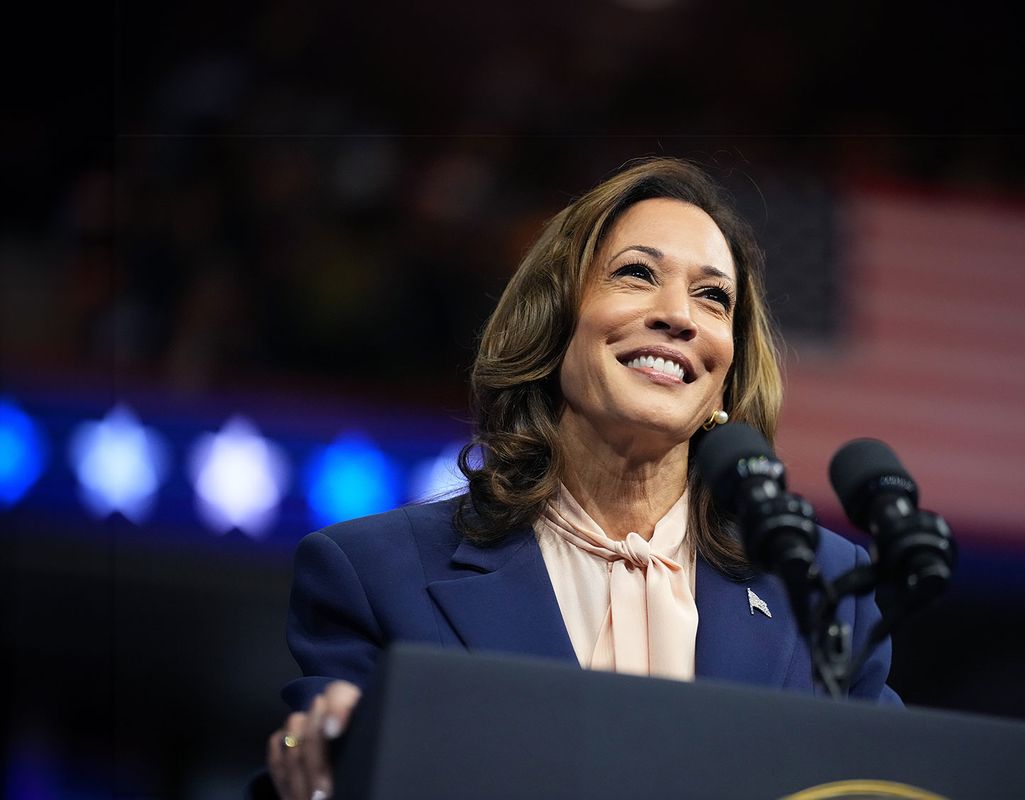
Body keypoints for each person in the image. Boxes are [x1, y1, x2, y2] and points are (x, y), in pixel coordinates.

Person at [259, 158, 901, 800]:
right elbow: (315, 755)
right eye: (636, 274)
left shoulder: (819, 586)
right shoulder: (377, 572)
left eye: (713, 296)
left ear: (727, 375)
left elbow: (904, 777)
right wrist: (313, 752)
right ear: (554, 322)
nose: (679, 314)